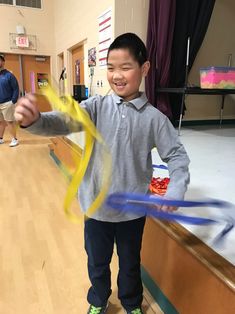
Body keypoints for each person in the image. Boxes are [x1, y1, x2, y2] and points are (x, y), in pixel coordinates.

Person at [15, 33, 190, 314]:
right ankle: (98, 300)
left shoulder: (155, 119)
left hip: (133, 212)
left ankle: (132, 302)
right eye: (110, 68)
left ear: (144, 69)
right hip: (96, 208)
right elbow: (63, 122)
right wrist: (35, 121)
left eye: (125, 67)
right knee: (97, 262)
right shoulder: (96, 107)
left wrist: (175, 189)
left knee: (130, 262)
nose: (117, 76)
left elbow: (177, 156)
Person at [0, 55, 20, 147]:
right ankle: (0, 139)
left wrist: (13, 101)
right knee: (1, 122)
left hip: (7, 103)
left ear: (3, 62)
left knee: (9, 121)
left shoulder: (9, 75)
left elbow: (16, 88)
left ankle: (14, 139)